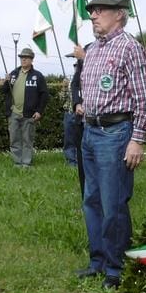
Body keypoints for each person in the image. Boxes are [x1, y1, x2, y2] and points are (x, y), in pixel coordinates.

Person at [76, 0, 146, 289]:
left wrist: (137, 139)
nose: (93, 14)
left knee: (113, 204)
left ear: (119, 13)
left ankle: (116, 269)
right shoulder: (93, 50)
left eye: (101, 9)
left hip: (115, 135)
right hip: (91, 134)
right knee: (91, 201)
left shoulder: (130, 48)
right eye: (92, 10)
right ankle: (97, 261)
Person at [5, 46, 48, 168]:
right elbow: (4, 91)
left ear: (31, 60)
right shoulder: (13, 74)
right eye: (22, 58)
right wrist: (6, 81)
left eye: (26, 58)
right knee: (14, 139)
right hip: (14, 112)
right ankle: (17, 162)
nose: (23, 60)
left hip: (29, 114)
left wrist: (39, 111)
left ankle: (26, 163)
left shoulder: (38, 76)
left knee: (27, 139)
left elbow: (44, 95)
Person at [66, 44, 87, 193]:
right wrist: (77, 103)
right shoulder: (80, 65)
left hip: (105, 123)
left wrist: (85, 58)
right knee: (83, 164)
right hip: (82, 120)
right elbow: (75, 85)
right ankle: (86, 196)